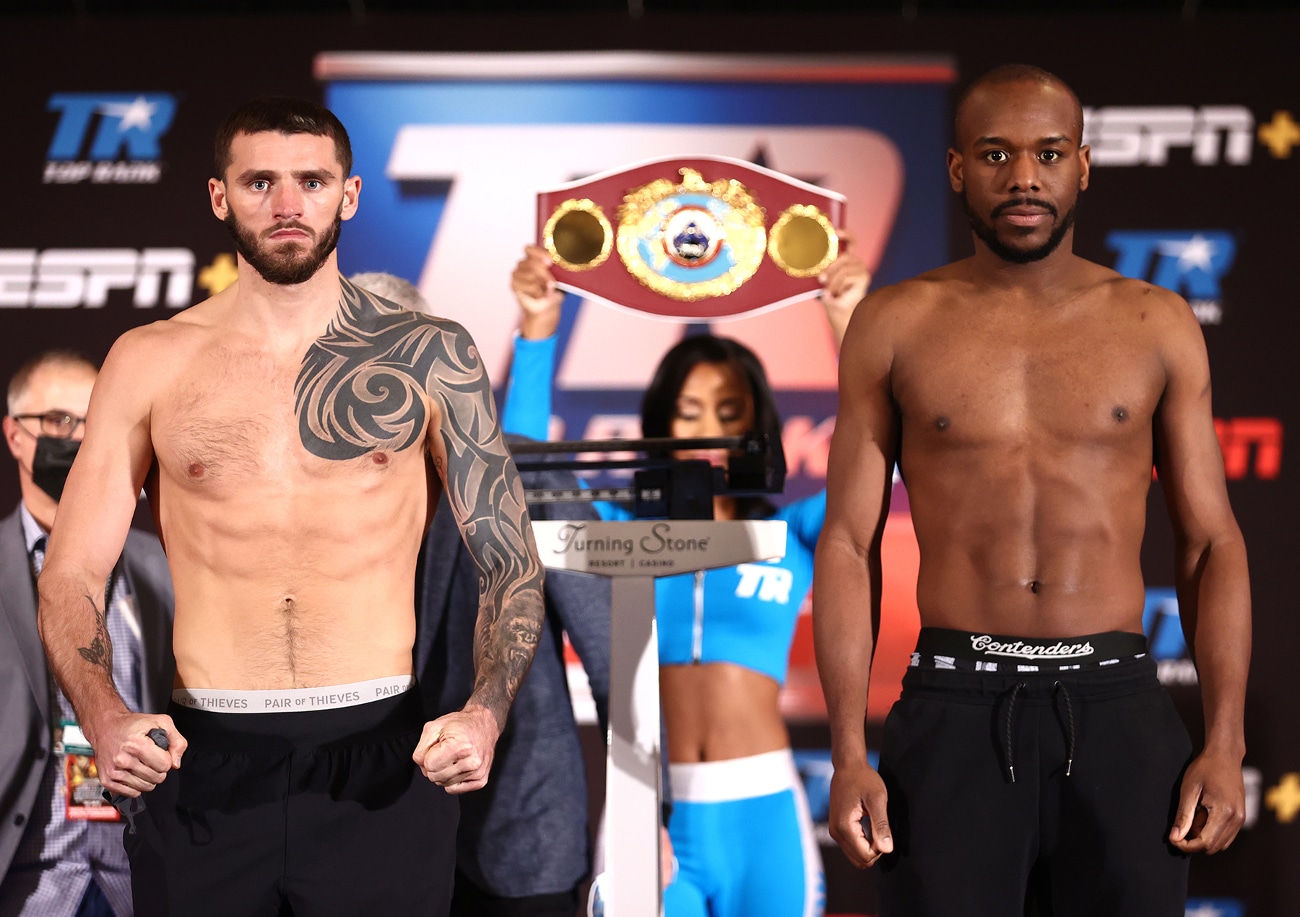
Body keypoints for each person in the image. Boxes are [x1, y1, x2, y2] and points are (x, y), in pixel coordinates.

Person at [36, 98, 546, 917]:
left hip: (381, 755)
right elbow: (70, 573)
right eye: (259, 181)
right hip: (205, 761)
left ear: (347, 195)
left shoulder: (430, 354)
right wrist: (104, 715)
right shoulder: (149, 360)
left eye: (310, 181)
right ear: (217, 196)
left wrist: (485, 713)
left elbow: (511, 559)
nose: (285, 205)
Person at [814, 64, 1250, 917]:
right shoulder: (894, 322)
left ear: (1082, 166)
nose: (1023, 177)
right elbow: (846, 542)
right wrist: (846, 750)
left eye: (1048, 153)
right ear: (955, 169)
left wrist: (1225, 741)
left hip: (1118, 707)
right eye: (996, 154)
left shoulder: (1156, 321)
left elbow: (1212, 542)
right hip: (951, 707)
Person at [506, 242, 869, 917]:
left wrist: (849, 324)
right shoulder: (614, 521)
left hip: (763, 812)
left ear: (760, 426)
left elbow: (881, 456)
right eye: (690, 409)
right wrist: (536, 330)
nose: (708, 429)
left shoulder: (796, 530)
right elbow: (522, 475)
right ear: (659, 421)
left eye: (729, 413)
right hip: (647, 806)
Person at [351, 270, 613, 917]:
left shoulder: (526, 467)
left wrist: (644, 820)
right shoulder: (302, 493)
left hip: (520, 832)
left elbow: (614, 649)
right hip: (368, 836)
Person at [1, 351, 174, 917]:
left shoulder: (164, 566)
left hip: (141, 874)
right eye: (57, 421)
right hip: (28, 876)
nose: (76, 437)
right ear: (15, 435)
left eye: (92, 420)